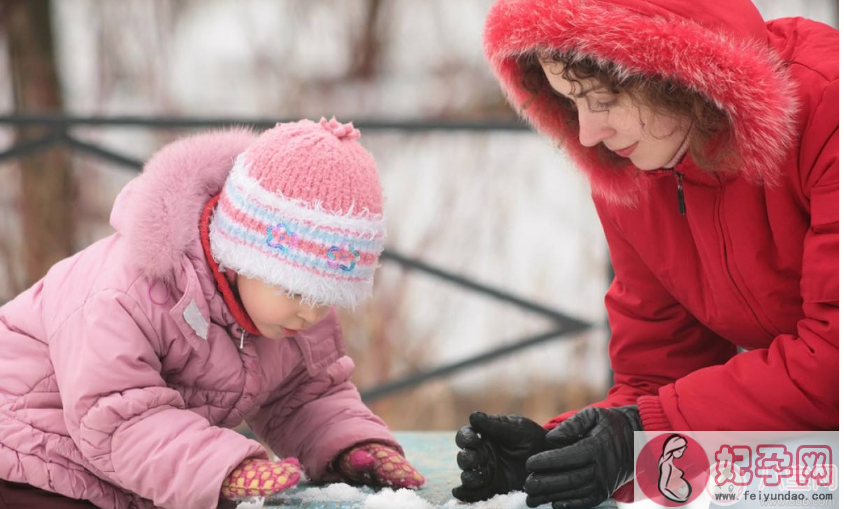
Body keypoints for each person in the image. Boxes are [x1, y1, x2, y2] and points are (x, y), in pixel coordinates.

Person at [454, 0, 837, 507]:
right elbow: (661, 376)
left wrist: (645, 430)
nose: (588, 133)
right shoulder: (635, 169)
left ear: (677, 74)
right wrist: (560, 454)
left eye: (604, 100)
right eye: (571, 102)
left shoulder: (829, 108)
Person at [0, 118, 424, 509]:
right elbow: (122, 419)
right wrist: (224, 469)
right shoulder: (127, 296)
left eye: (327, 293)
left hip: (122, 469)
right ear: (242, 255)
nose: (311, 311)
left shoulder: (286, 312)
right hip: (26, 450)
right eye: (295, 288)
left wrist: (351, 448)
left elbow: (306, 395)